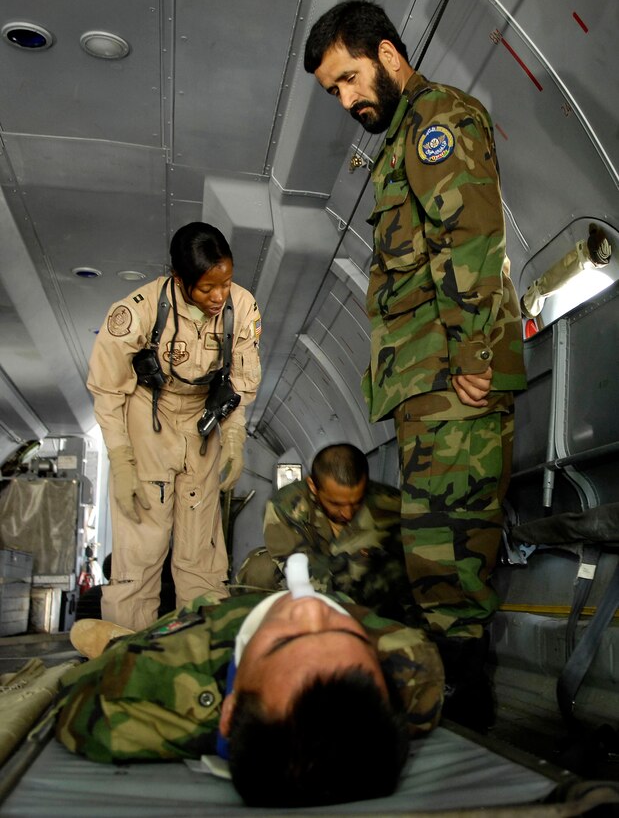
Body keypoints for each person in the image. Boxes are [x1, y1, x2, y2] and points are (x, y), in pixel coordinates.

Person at [304, 1, 527, 726]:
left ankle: (467, 713)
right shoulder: (401, 137)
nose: (345, 100)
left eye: (348, 79)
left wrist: (474, 355)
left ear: (389, 57)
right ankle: (456, 702)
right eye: (333, 91)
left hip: (452, 378)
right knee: (433, 549)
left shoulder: (436, 125)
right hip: (425, 385)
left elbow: (469, 236)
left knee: (447, 552)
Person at [57, 580, 444, 808]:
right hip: (288, 592)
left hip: (206, 619)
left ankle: (121, 640)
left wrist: (223, 723)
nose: (310, 610)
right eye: (345, 633)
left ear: (230, 710)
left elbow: (79, 702)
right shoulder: (412, 666)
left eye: (284, 642)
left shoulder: (184, 666)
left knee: (95, 640)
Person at [87, 222, 262, 631]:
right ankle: (125, 652)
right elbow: (107, 390)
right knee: (142, 547)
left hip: (202, 421)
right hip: (149, 414)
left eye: (226, 283)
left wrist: (234, 435)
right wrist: (121, 457)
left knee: (201, 549)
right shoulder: (138, 311)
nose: (219, 296)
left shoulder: (243, 307)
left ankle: (200, 650)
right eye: (206, 288)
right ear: (180, 280)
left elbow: (241, 381)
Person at [236, 443, 412, 620]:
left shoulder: (391, 505)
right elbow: (304, 574)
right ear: (313, 486)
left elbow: (413, 572)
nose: (348, 513)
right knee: (260, 567)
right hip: (313, 584)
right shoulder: (288, 504)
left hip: (370, 590)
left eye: (356, 502)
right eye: (336, 504)